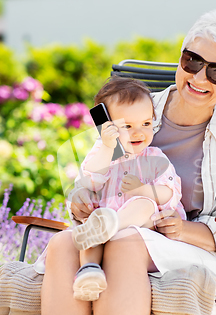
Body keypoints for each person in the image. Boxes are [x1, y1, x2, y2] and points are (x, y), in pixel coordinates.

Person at [41, 10, 216, 315]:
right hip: (115, 224)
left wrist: (179, 228)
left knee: (126, 241)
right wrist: (83, 197)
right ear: (180, 58)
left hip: (190, 245)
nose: (199, 78)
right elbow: (99, 172)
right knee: (64, 244)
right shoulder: (135, 112)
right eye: (192, 61)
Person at [69, 77, 186, 302]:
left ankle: (108, 226)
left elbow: (170, 192)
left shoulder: (155, 158)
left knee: (145, 204)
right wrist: (107, 147)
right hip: (106, 223)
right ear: (107, 128)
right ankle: (90, 270)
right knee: (94, 222)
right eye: (127, 126)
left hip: (143, 228)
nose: (138, 133)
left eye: (146, 124)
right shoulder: (104, 153)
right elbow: (91, 180)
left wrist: (143, 190)